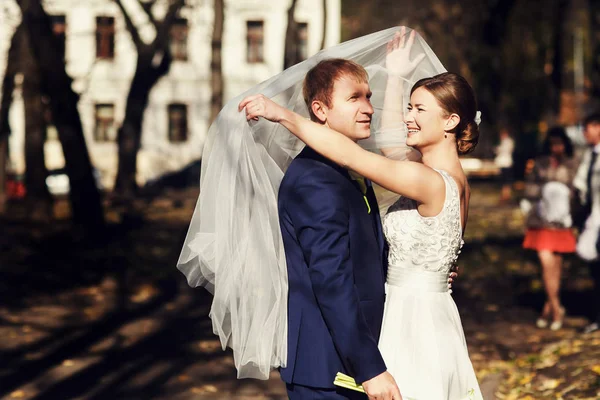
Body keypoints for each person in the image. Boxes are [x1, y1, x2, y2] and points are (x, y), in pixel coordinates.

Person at [240, 30, 482, 400]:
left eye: (419, 110)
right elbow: (387, 142)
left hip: (412, 323)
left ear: (449, 122)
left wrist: (283, 115)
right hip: (427, 316)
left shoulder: (425, 180)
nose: (407, 118)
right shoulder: (452, 181)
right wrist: (398, 76)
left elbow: (357, 156)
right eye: (410, 107)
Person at [521, 126, 577, 330]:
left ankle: (548, 308)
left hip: (562, 222)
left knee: (556, 268)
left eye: (559, 143)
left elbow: (576, 190)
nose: (556, 148)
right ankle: (556, 308)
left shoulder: (573, 164)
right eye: (553, 144)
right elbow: (530, 188)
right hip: (541, 221)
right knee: (546, 263)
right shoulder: (540, 163)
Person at [573, 113, 600, 334]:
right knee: (595, 269)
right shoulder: (589, 155)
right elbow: (581, 184)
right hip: (592, 219)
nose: (585, 133)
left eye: (588, 128)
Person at [494, 128, 515, 203]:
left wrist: (498, 149)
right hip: (503, 164)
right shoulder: (504, 142)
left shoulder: (507, 142)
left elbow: (502, 150)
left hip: (506, 163)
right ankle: (504, 195)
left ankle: (506, 195)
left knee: (506, 181)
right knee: (504, 181)